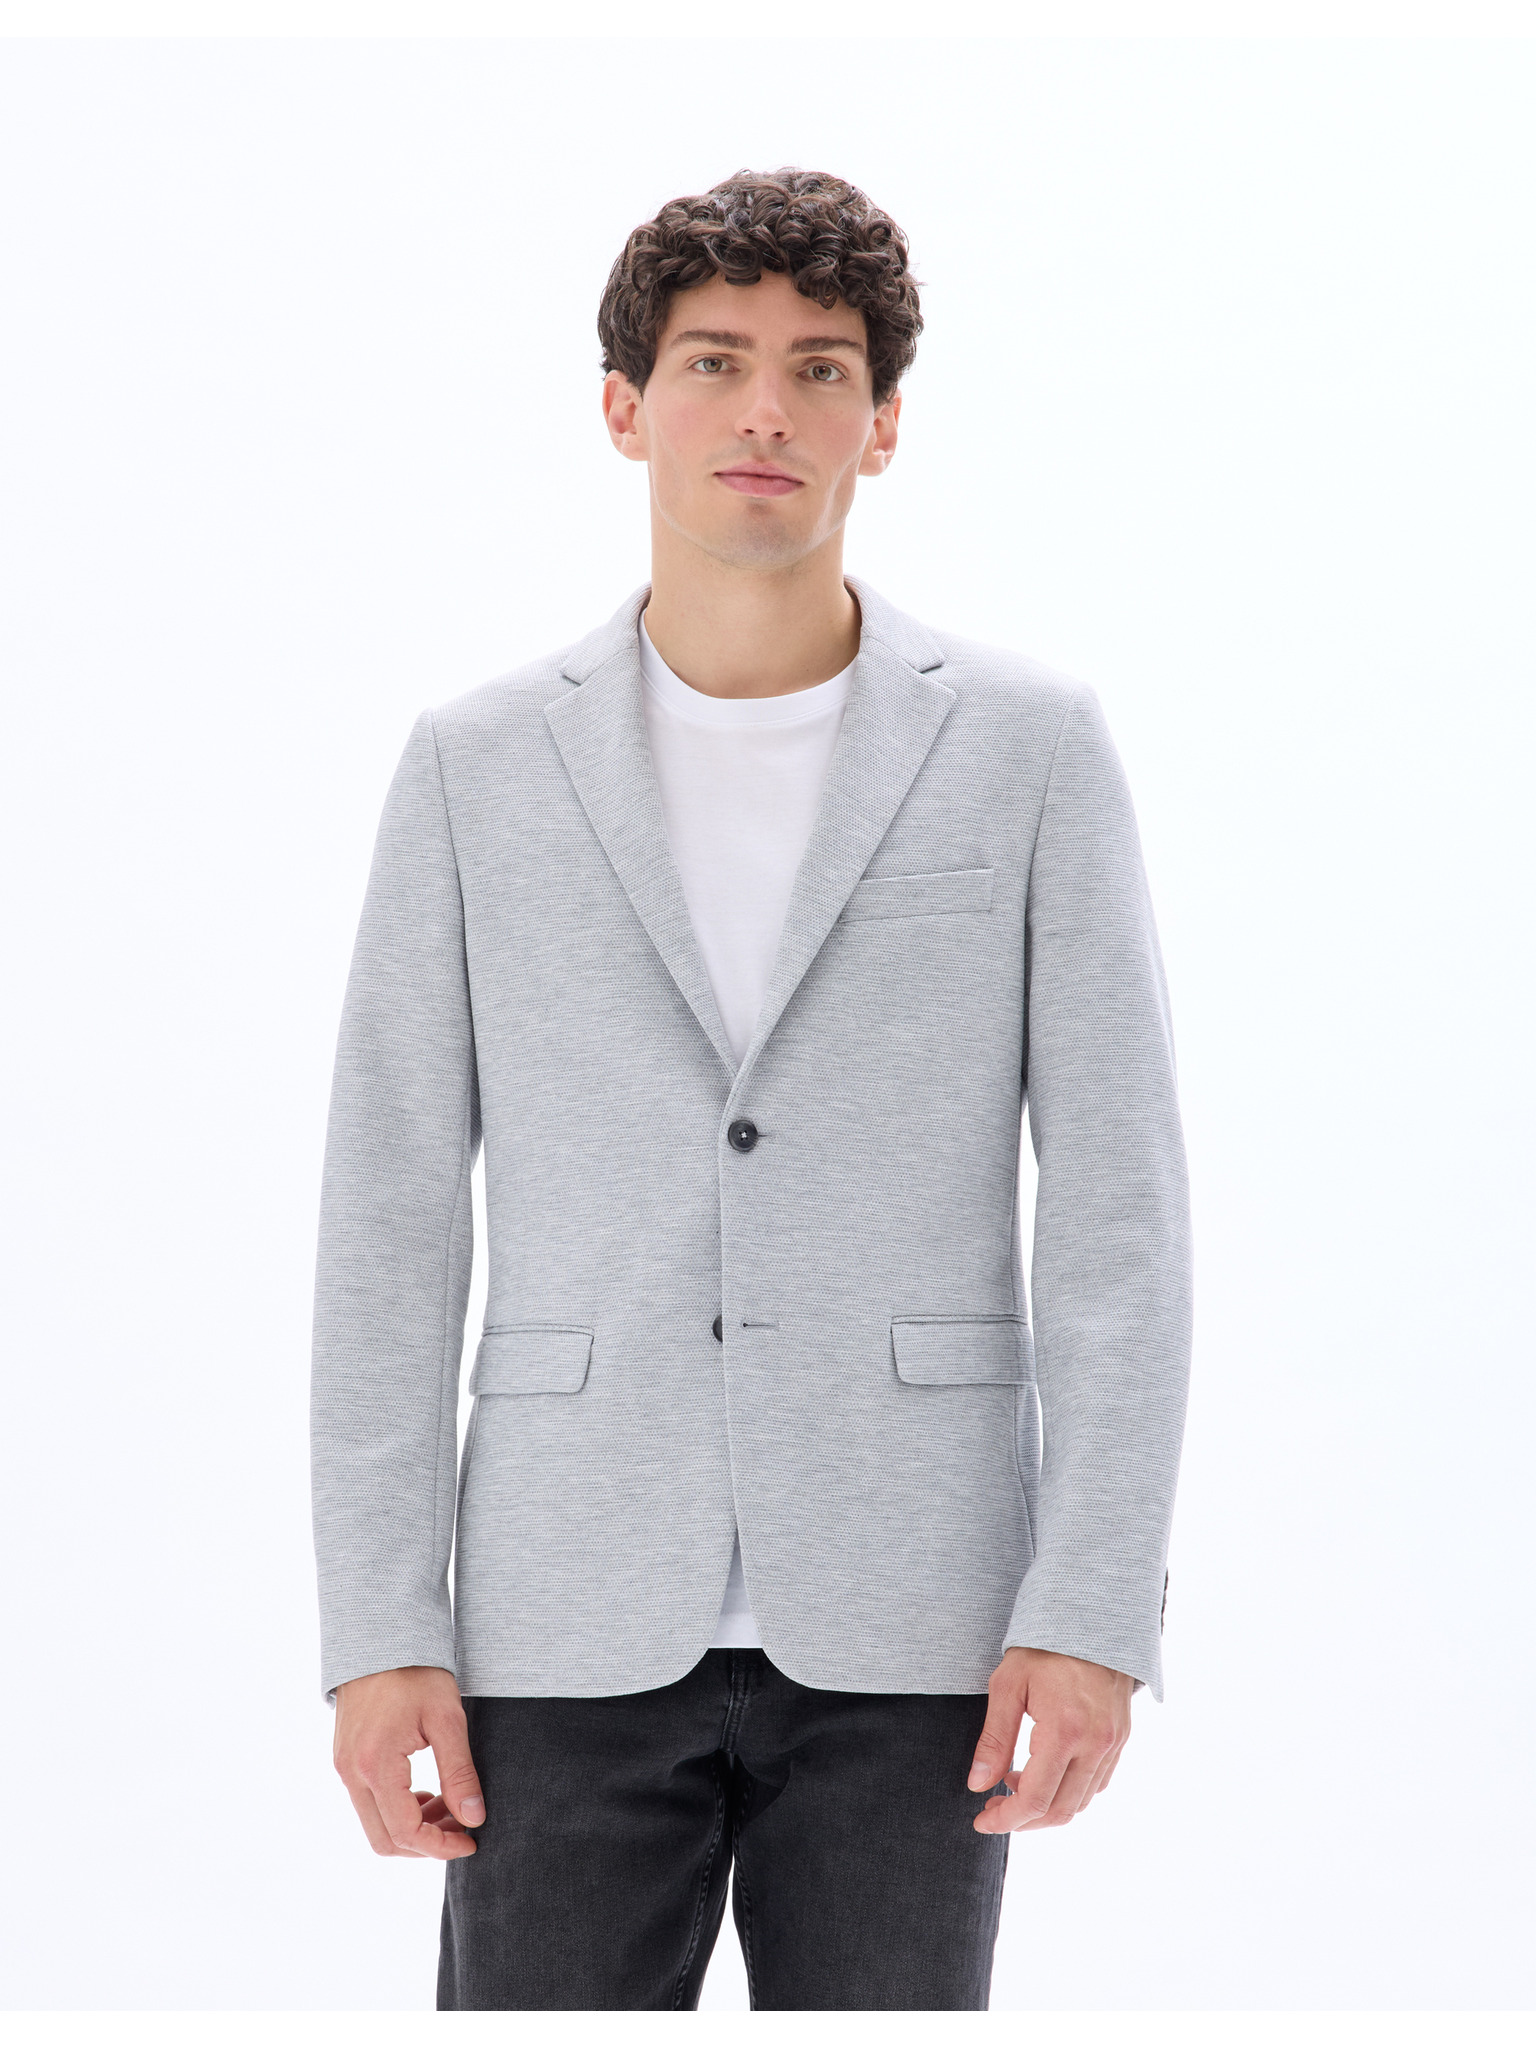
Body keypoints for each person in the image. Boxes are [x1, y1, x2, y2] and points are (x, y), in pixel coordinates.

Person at [310, 167, 1193, 2013]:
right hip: (558, 1615)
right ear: (625, 408)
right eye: (714, 361)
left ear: (886, 422)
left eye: (821, 367)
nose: (768, 409)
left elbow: (1119, 1214)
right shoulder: (476, 765)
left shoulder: (1028, 749)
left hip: (919, 1621)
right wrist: (382, 1628)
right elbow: (389, 1222)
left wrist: (1093, 1606)